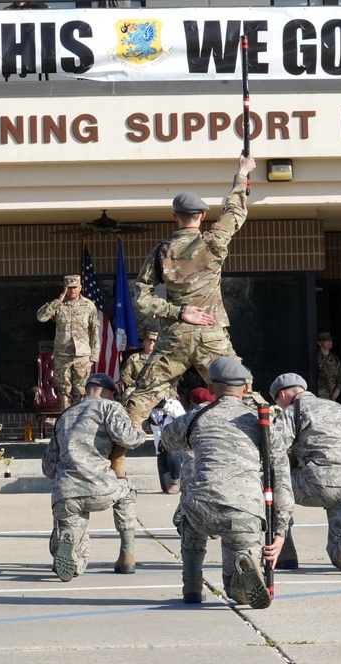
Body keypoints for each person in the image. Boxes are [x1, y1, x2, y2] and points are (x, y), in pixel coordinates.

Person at [118, 154, 256, 478]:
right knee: (241, 387)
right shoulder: (213, 241)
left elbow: (141, 296)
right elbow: (236, 211)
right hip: (211, 333)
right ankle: (268, 442)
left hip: (175, 336)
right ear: (203, 215)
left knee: (144, 394)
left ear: (174, 217)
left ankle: (116, 455)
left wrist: (178, 311)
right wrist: (241, 175)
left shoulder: (162, 251)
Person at [160, 357, 292, 609]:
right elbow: (280, 478)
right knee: (238, 555)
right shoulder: (261, 422)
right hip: (243, 511)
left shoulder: (197, 416)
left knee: (189, 514)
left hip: (201, 507)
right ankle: (241, 575)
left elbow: (167, 440)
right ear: (245, 387)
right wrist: (280, 532)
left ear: (211, 389)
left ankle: (191, 583)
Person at [41, 373, 147, 581]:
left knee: (71, 527)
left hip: (66, 493)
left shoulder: (65, 415)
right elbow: (125, 437)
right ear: (108, 393)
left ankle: (71, 553)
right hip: (100, 488)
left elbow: (48, 466)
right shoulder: (110, 408)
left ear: (86, 391)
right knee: (127, 490)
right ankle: (127, 554)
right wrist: (139, 433)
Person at [270, 373, 341, 574]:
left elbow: (273, 450)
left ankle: (285, 553)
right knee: (340, 556)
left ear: (282, 395)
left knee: (269, 485)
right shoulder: (339, 409)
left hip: (319, 483)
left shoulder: (293, 411)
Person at [36, 274, 101, 412]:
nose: (72, 291)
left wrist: (94, 356)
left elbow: (94, 332)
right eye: (69, 288)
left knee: (81, 391)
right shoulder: (59, 305)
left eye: (75, 287)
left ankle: (78, 423)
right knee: (64, 391)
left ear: (80, 287)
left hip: (82, 356)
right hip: (62, 355)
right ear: (65, 288)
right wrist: (57, 301)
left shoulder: (89, 306)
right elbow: (41, 317)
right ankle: (65, 422)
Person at [150, 392, 187, 494]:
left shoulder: (174, 403)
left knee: (173, 453)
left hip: (174, 445)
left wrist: (166, 406)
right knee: (166, 489)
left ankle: (177, 481)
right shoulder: (151, 408)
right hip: (160, 447)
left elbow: (183, 417)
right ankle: (173, 483)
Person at [118, 331, 157, 399]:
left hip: (155, 389)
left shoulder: (160, 359)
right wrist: (136, 384)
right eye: (149, 340)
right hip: (136, 388)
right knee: (127, 394)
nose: (151, 343)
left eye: (154, 341)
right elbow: (125, 375)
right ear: (144, 342)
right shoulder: (134, 357)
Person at [316, 332, 341, 402]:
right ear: (319, 343)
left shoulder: (334, 359)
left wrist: (338, 389)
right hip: (319, 397)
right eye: (326, 340)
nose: (330, 342)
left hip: (332, 397)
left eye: (330, 340)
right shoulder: (316, 358)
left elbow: (340, 377)